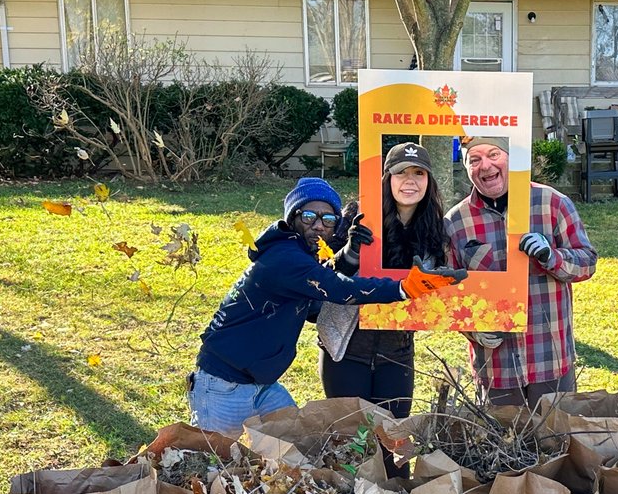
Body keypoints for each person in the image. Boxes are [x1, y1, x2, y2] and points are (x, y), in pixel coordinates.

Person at [188, 176, 464, 437]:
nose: (319, 226)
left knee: (297, 449)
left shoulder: (301, 254)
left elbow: (317, 293)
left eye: (328, 219)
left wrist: (350, 254)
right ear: (292, 218)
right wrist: (403, 288)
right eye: (309, 216)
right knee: (213, 458)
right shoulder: (284, 257)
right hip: (223, 383)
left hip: (262, 383)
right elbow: (337, 288)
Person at [445, 136, 598, 408]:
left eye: (494, 154)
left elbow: (587, 262)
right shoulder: (456, 222)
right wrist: (473, 330)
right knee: (499, 435)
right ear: (466, 167)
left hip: (550, 358)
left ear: (510, 157)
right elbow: (448, 294)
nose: (485, 166)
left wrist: (552, 256)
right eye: (475, 159)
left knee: (557, 433)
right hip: (496, 368)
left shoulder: (552, 203)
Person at [318, 142, 447, 419]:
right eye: (401, 172)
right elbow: (322, 278)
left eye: (419, 173)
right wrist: (350, 253)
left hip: (397, 351)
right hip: (346, 347)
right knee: (349, 435)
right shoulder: (357, 216)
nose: (410, 181)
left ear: (429, 181)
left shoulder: (434, 227)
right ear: (388, 178)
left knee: (393, 434)